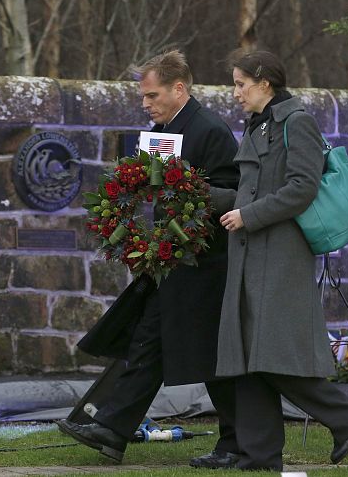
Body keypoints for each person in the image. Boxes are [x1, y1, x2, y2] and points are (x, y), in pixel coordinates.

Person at [57, 50, 241, 468]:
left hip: (205, 264)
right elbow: (152, 189)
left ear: (179, 89)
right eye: (143, 96)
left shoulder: (211, 130)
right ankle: (112, 428)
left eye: (152, 95)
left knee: (211, 356)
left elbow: (233, 193)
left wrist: (189, 196)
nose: (145, 104)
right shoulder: (161, 130)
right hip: (170, 260)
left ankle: (237, 443)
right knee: (147, 341)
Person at [210, 49, 348, 471]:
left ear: (265, 83)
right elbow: (250, 192)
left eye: (241, 84)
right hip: (251, 254)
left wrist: (248, 216)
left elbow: (302, 188)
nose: (235, 92)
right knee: (249, 358)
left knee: (271, 354)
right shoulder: (258, 124)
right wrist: (197, 193)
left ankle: (343, 414)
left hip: (280, 254)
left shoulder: (297, 122)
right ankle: (260, 456)